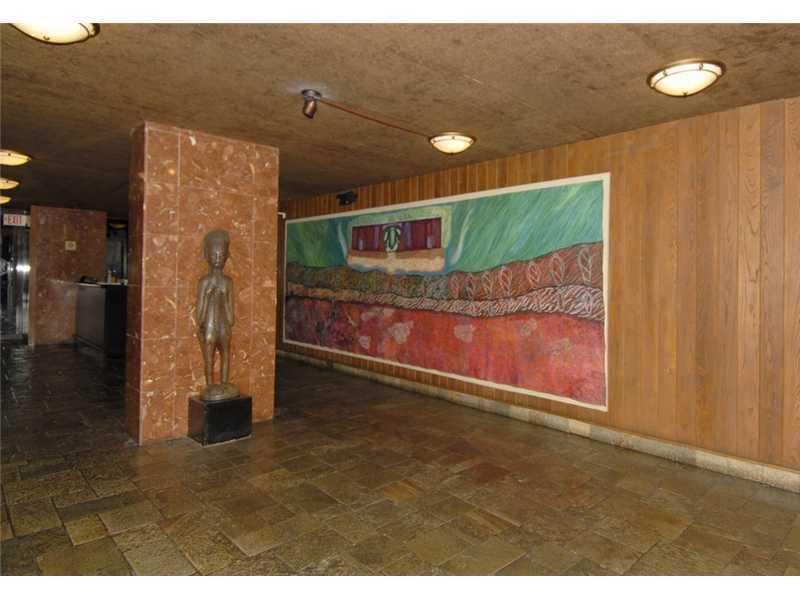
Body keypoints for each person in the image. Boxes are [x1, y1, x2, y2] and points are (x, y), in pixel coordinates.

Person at [196, 229, 238, 399]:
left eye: (221, 255)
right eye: (214, 254)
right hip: (209, 325)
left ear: (227, 256)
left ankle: (224, 382)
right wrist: (207, 296)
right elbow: (199, 315)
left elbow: (231, 316)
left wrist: (225, 301)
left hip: (223, 325)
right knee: (209, 355)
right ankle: (209, 384)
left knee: (226, 352)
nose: (217, 258)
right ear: (207, 255)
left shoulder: (228, 282)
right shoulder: (204, 282)